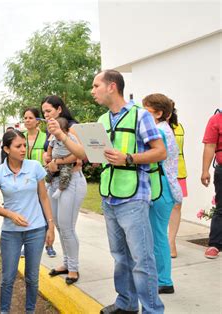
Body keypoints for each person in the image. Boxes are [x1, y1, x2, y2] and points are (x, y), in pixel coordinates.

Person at [92, 70, 166, 314]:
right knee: (120, 257)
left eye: (96, 86)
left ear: (112, 86)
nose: (92, 91)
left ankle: (152, 310)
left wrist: (128, 158)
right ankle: (126, 303)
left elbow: (160, 152)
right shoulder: (102, 120)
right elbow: (98, 156)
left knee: (142, 260)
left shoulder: (141, 116)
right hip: (109, 197)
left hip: (134, 198)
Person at [0, 129, 55, 313]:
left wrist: (50, 225)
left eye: (24, 145)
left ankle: (30, 311)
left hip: (36, 230)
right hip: (10, 233)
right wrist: (10, 215)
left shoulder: (35, 167)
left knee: (32, 277)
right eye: (18, 146)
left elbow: (44, 198)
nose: (23, 149)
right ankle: (4, 311)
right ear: (7, 149)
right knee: (7, 277)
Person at [41, 95, 87, 285]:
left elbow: (79, 157)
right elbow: (48, 151)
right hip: (54, 182)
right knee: (60, 225)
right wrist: (48, 157)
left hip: (71, 181)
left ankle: (74, 269)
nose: (45, 115)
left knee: (67, 227)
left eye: (49, 111)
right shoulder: (51, 129)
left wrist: (56, 162)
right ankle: (67, 263)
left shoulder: (72, 128)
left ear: (59, 109)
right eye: (43, 112)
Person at [143, 94, 183, 294]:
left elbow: (153, 157)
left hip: (162, 188)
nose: (142, 115)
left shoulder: (158, 131)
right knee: (155, 235)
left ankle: (164, 280)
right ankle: (160, 278)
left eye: (147, 111)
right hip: (164, 188)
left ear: (159, 113)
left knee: (157, 236)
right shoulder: (164, 129)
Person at [22, 107, 57, 258]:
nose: (27, 120)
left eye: (30, 118)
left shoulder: (45, 137)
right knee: (27, 214)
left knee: (44, 212)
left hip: (41, 180)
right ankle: (27, 246)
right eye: (25, 118)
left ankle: (49, 245)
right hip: (24, 180)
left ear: (38, 120)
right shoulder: (19, 137)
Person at [201, 108, 222, 259]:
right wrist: (205, 170)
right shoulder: (216, 120)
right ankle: (215, 244)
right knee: (221, 208)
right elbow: (209, 146)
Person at [168, 100, 188, 258]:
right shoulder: (151, 128)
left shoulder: (179, 127)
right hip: (158, 173)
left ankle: (171, 241)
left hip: (178, 172)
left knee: (176, 207)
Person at [44, 117, 74, 200]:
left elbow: (76, 150)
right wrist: (49, 156)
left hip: (66, 162)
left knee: (65, 175)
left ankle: (60, 189)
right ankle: (48, 183)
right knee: (48, 171)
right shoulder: (54, 137)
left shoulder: (71, 138)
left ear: (67, 131)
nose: (57, 136)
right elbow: (50, 146)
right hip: (54, 160)